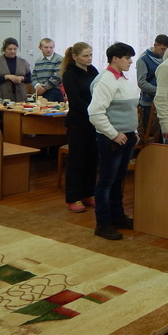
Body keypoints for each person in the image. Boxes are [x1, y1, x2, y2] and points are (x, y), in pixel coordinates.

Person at [87, 42, 140, 241]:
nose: (130, 61)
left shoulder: (122, 79)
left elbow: (129, 110)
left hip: (126, 137)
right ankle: (103, 223)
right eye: (127, 57)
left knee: (118, 180)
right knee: (107, 181)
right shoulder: (105, 80)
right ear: (115, 59)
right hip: (112, 139)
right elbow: (95, 113)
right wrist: (114, 134)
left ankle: (118, 216)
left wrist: (134, 131)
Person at [61, 42, 99, 213]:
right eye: (85, 55)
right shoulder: (70, 74)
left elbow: (99, 92)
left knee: (92, 159)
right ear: (75, 57)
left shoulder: (93, 71)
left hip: (94, 122)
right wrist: (93, 112)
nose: (89, 58)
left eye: (90, 55)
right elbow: (76, 101)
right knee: (76, 160)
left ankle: (88, 193)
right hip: (78, 122)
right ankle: (73, 197)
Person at [136, 34, 168, 136]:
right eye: (162, 49)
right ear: (155, 45)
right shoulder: (143, 59)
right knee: (149, 133)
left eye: (166, 50)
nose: (164, 52)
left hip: (163, 102)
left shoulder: (166, 58)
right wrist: (159, 91)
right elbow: (141, 82)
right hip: (148, 103)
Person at [32, 38, 64, 102]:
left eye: (51, 47)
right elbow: (33, 76)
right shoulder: (38, 61)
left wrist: (44, 88)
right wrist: (37, 85)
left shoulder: (59, 59)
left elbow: (57, 76)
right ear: (40, 48)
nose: (49, 50)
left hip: (54, 91)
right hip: (40, 91)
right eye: (46, 47)